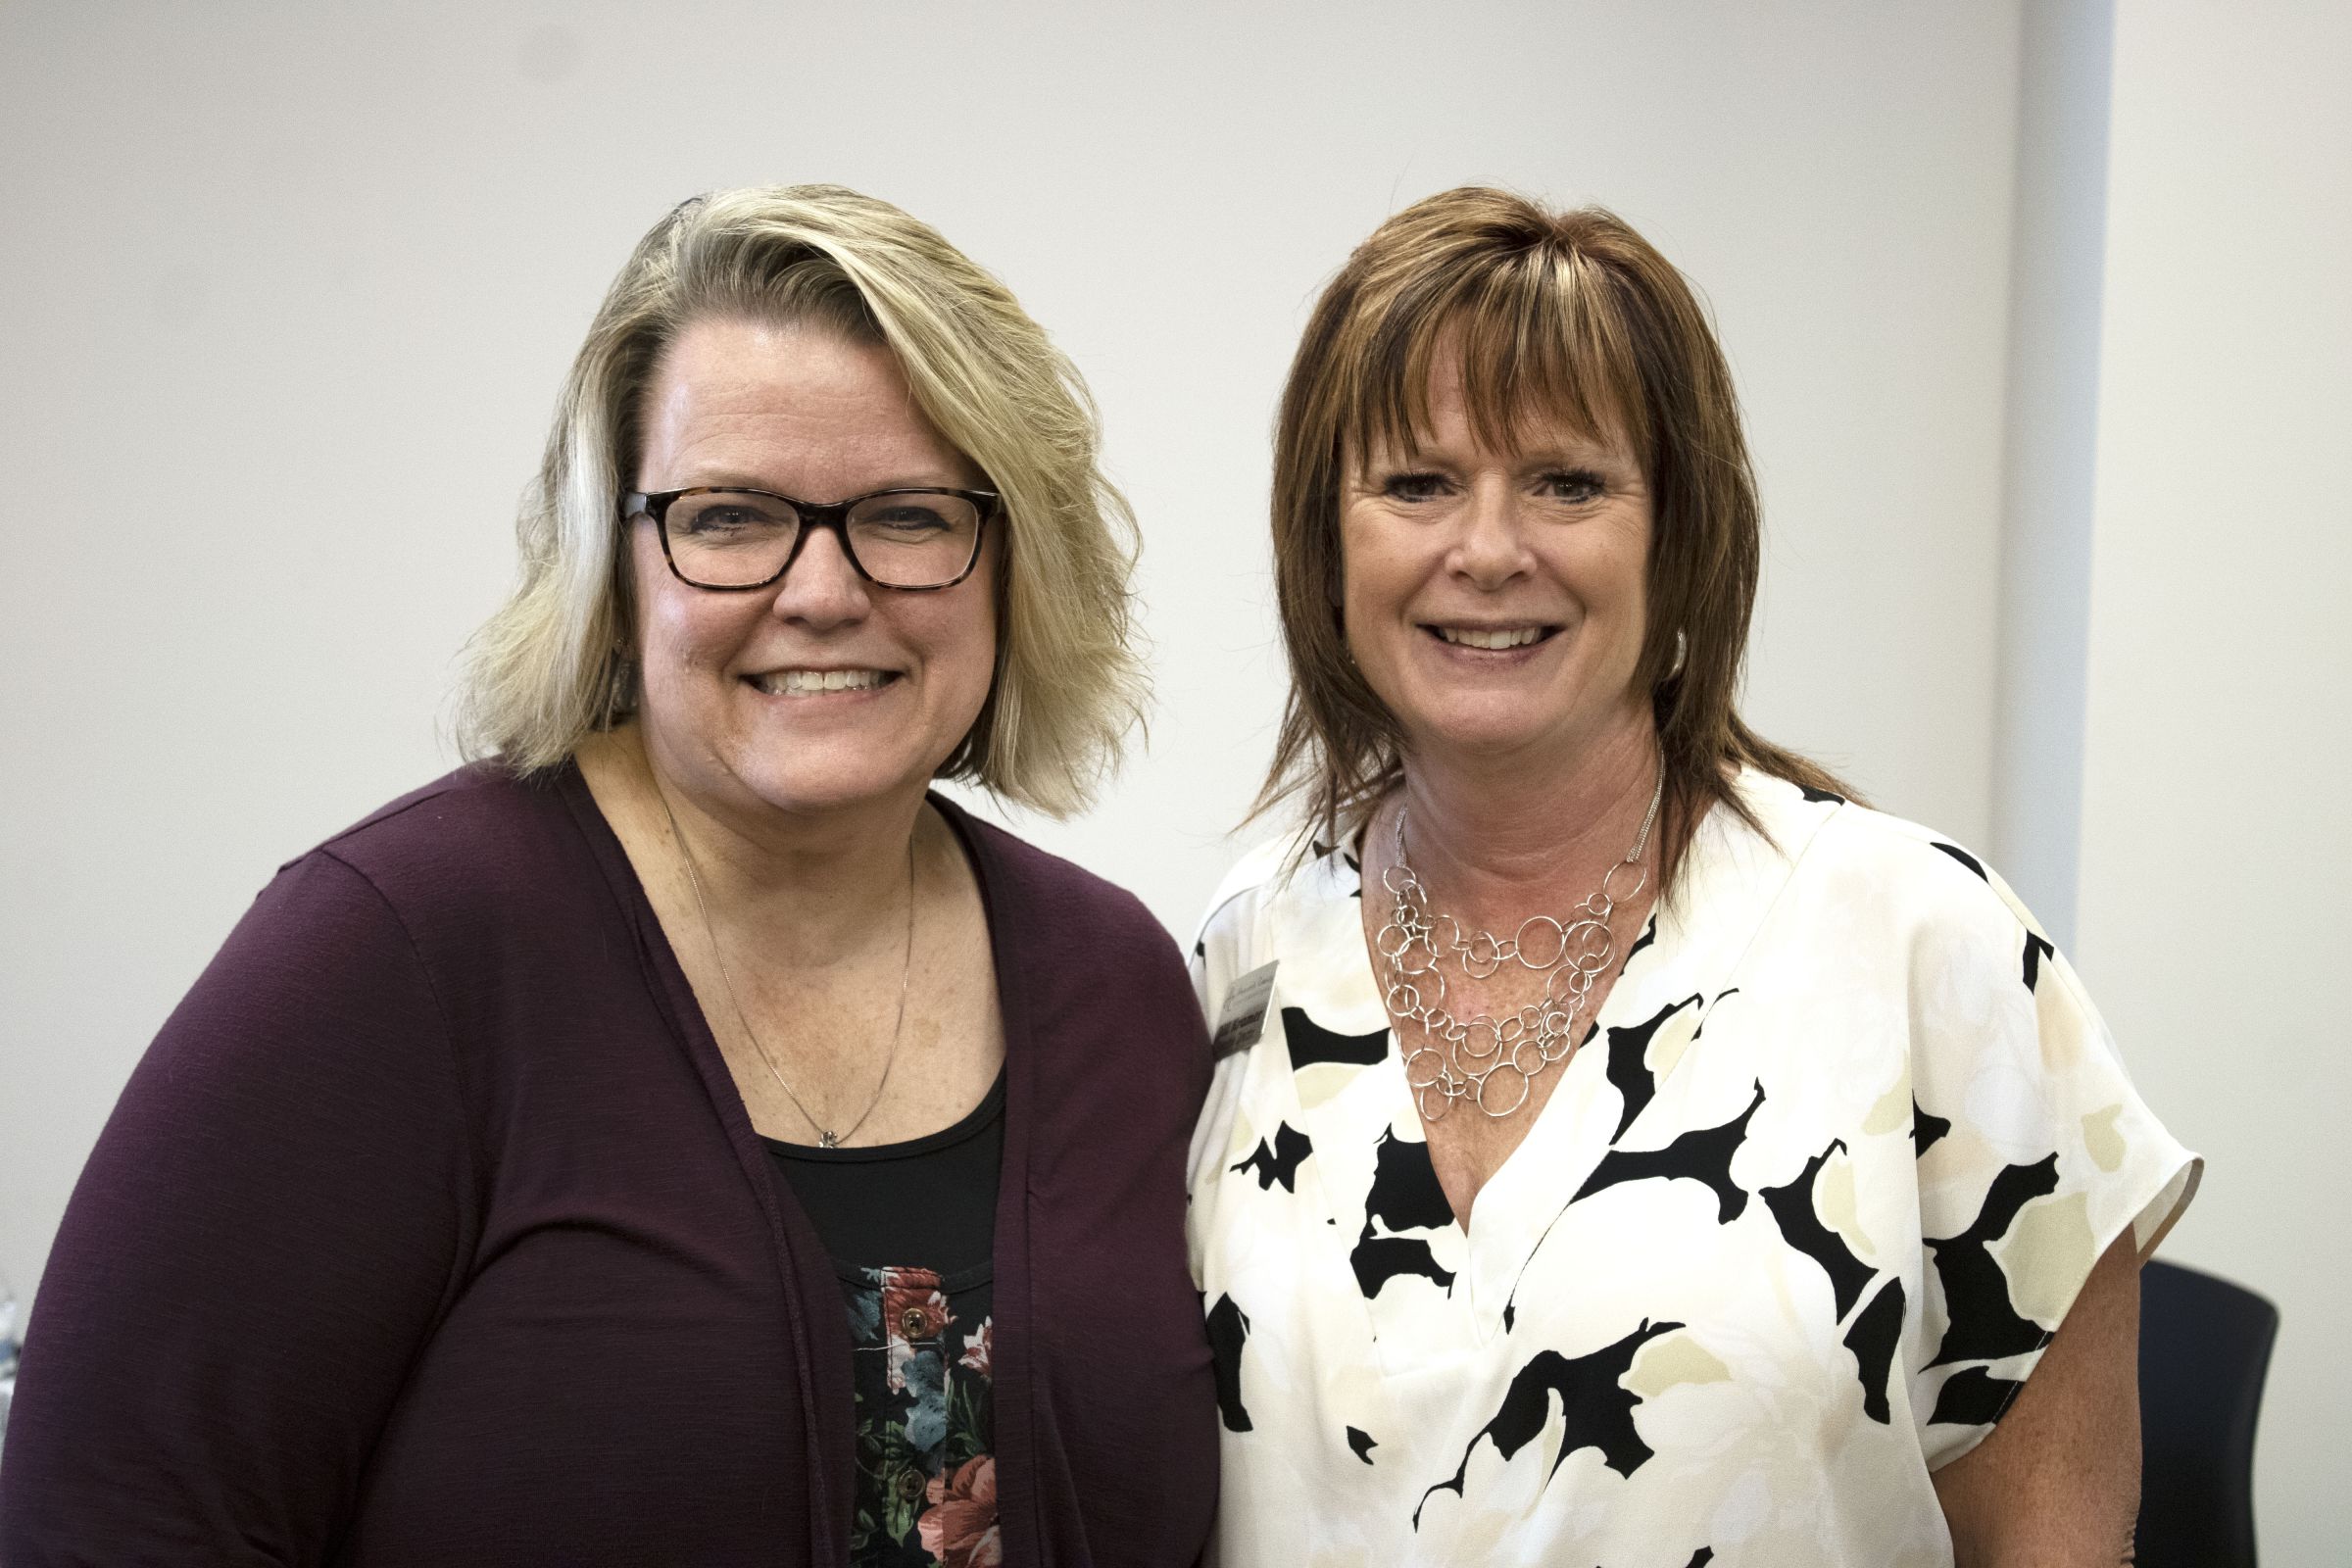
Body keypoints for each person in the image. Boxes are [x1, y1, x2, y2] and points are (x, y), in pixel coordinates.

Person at [0, 185, 1217, 1565]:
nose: (822, 590)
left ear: (1015, 562)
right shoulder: (394, 955)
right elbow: (106, 1524)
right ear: (614, 561)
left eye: (910, 514)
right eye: (732, 515)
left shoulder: (1115, 983)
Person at [1187, 187, 2198, 1566]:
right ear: (1328, 538)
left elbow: (2055, 1536)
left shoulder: (1923, 948)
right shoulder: (1237, 965)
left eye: (1568, 482)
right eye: (1417, 484)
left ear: (1679, 533)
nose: (1486, 550)